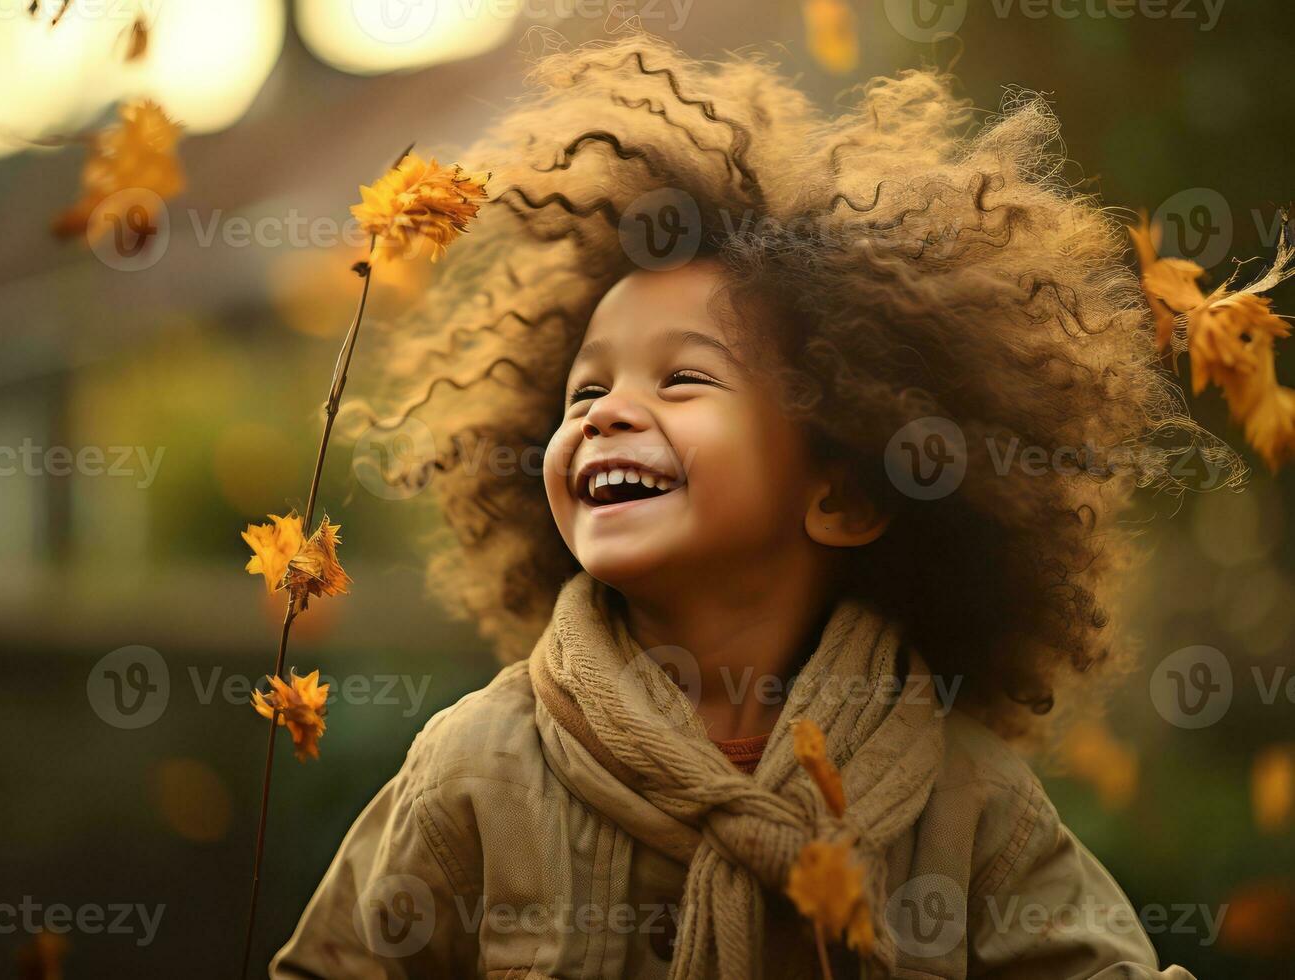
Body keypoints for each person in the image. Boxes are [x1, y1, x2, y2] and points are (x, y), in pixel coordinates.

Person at [273, 31, 1220, 979]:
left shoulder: (963, 798)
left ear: (841, 493)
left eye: (683, 378)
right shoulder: (478, 767)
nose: (608, 417)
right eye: (584, 393)